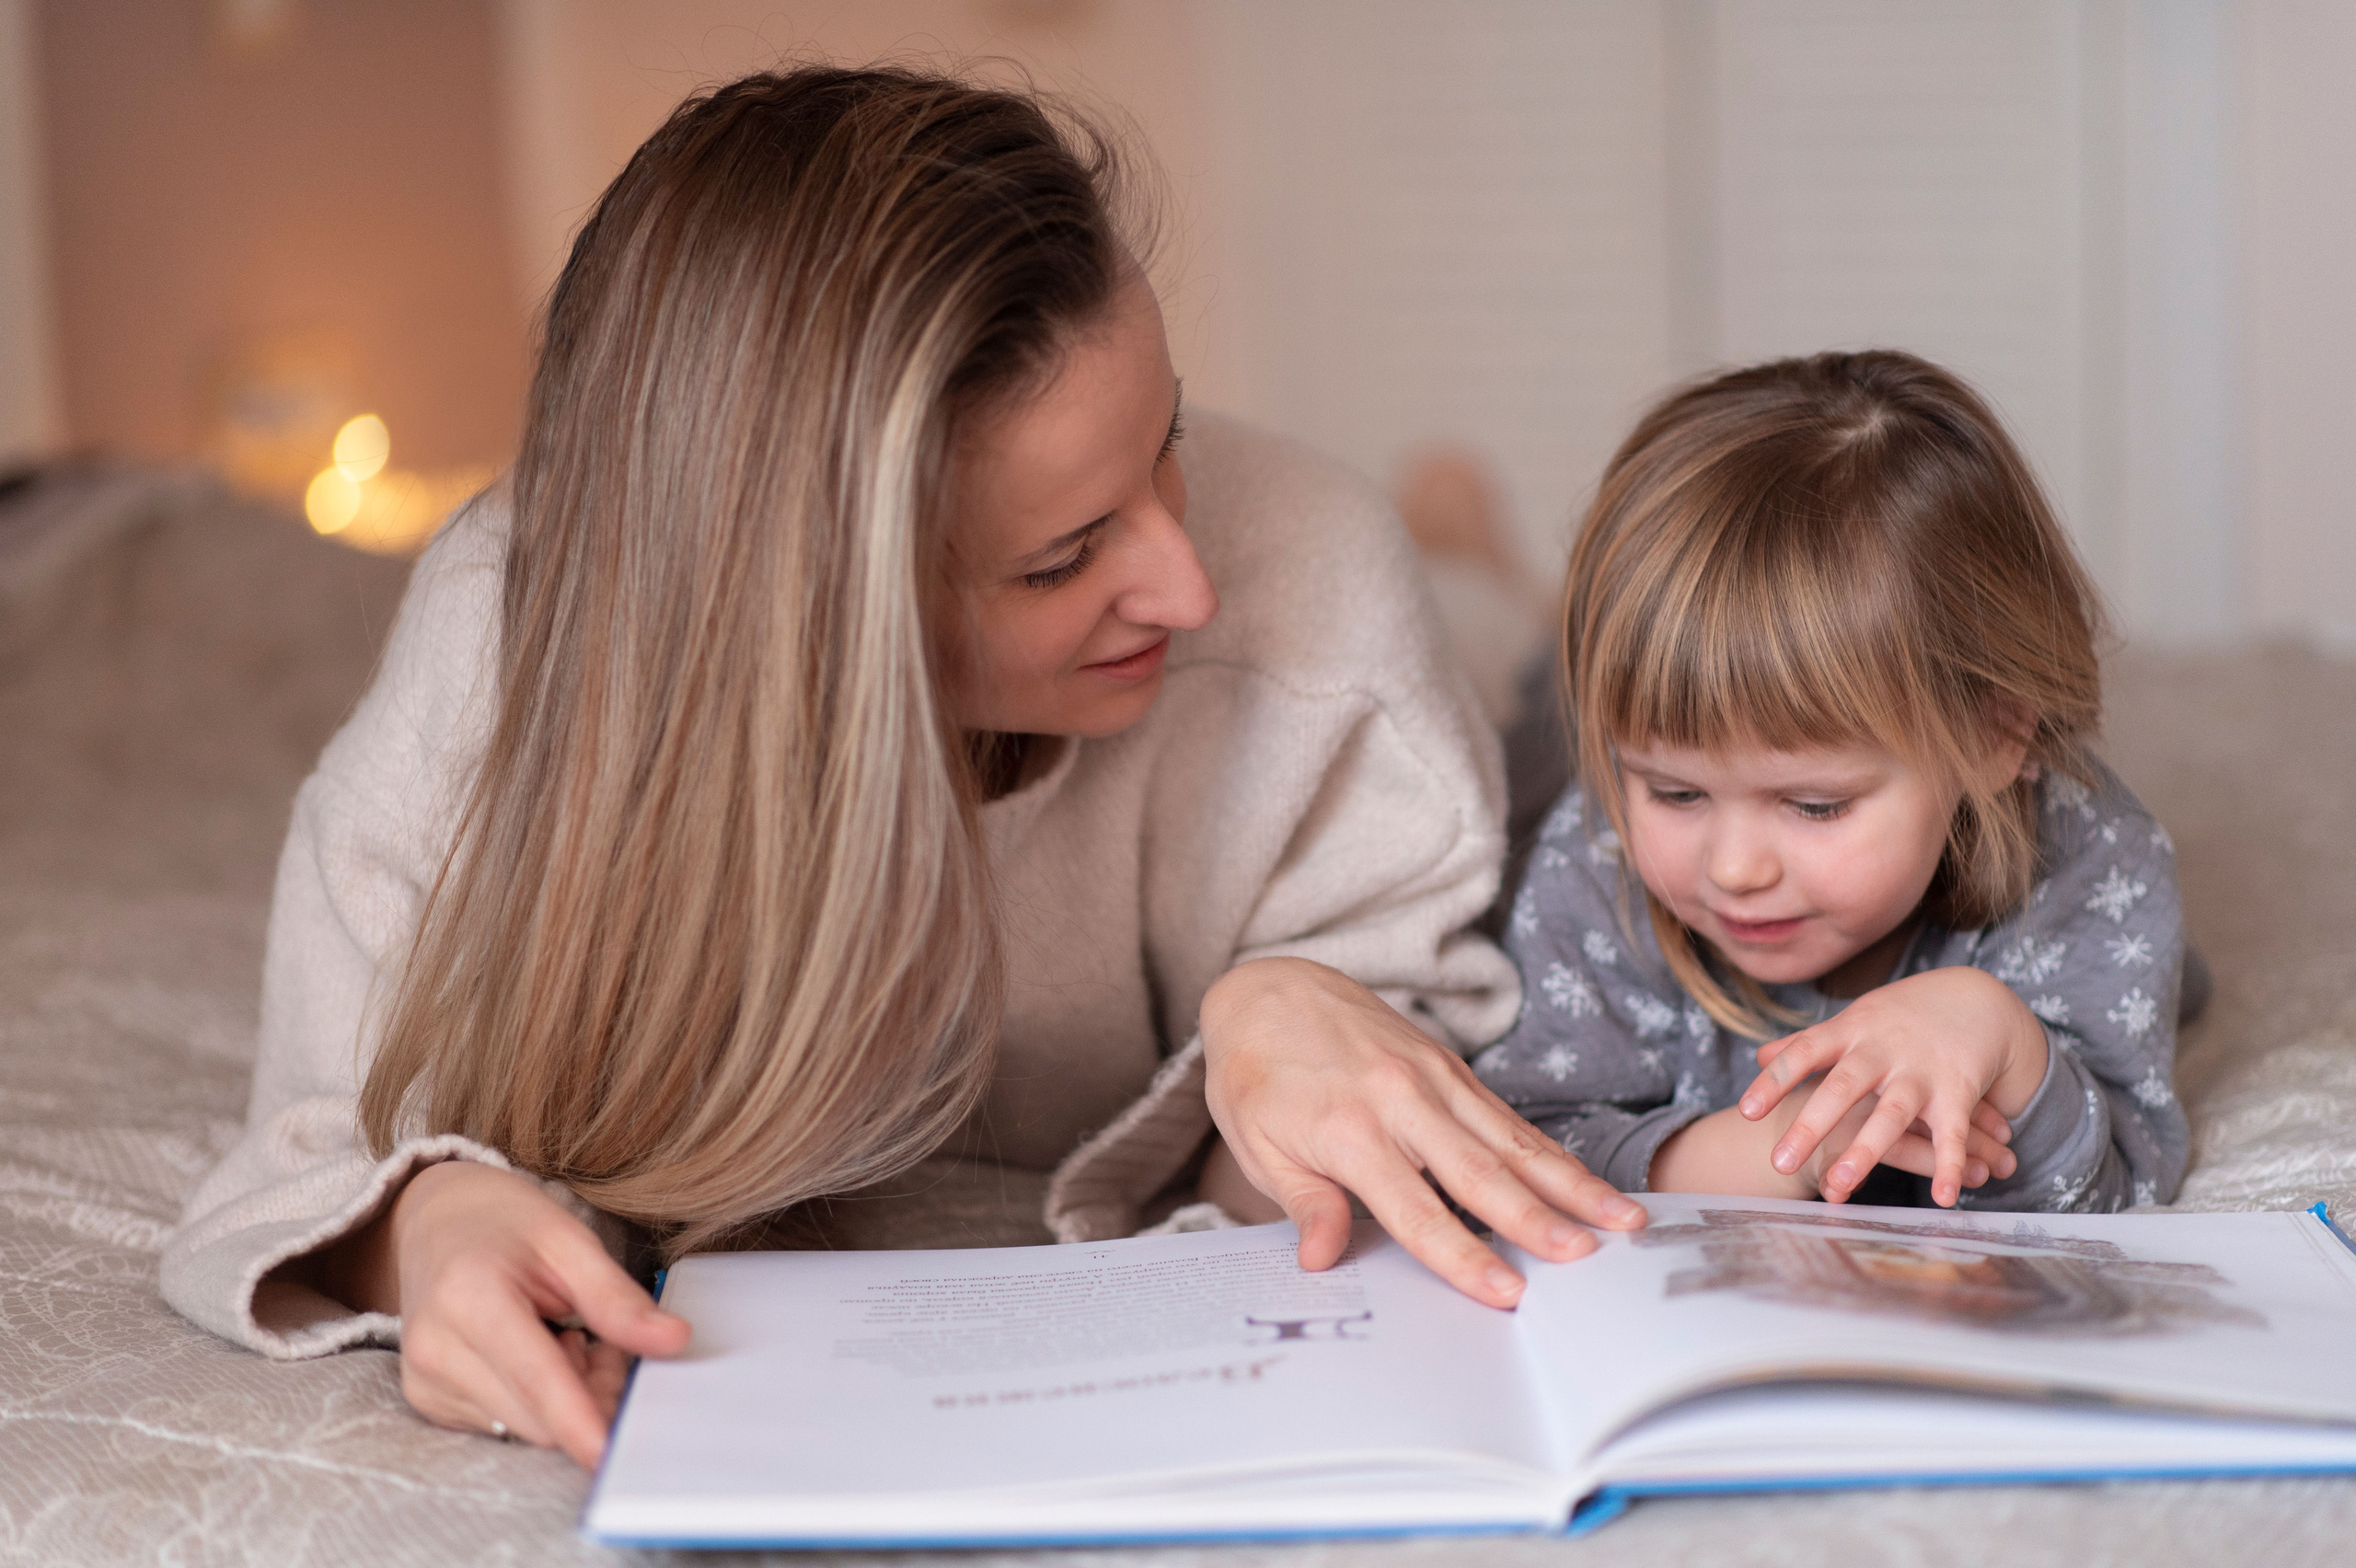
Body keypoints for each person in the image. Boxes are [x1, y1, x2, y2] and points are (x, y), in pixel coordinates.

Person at [160, 65, 1642, 1470]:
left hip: (1433, 657)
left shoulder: (1308, 597)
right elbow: (320, 1132)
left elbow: (1424, 1097)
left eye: (1168, 439)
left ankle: (1469, 544)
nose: (1181, 586)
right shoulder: (507, 648)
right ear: (808, 620)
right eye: (1061, 559)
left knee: (1528, 659)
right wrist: (423, 1226)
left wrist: (1297, 1017)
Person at [1477, 350, 2189, 1214]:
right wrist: (1787, 1148)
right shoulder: (1596, 855)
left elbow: (2122, 1185)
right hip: (1534, 752)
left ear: (1995, 734)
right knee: (1510, 709)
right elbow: (1519, 1143)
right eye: (1676, 793)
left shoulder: (2092, 862)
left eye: (1815, 806)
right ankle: (1473, 550)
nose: (1734, 868)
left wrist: (2008, 1040)